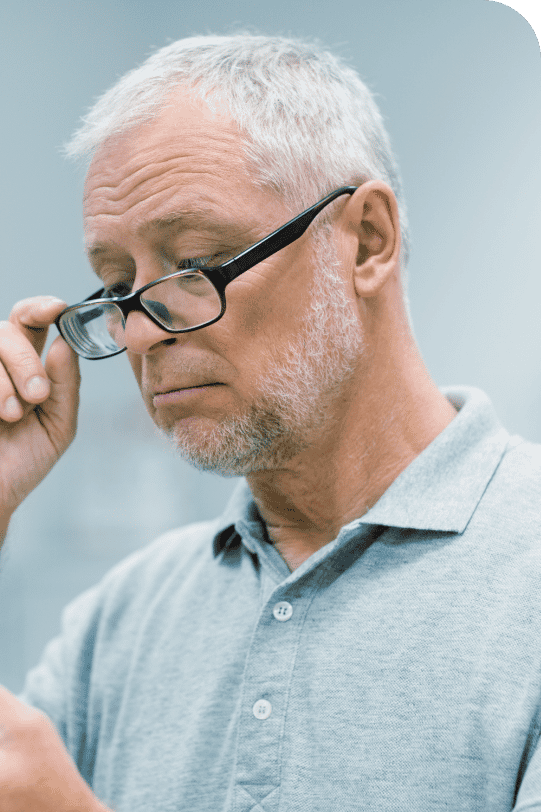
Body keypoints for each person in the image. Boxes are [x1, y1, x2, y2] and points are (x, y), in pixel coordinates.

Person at [0, 32, 540, 812]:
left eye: (194, 265)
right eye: (115, 286)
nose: (140, 333)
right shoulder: (123, 619)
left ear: (366, 242)